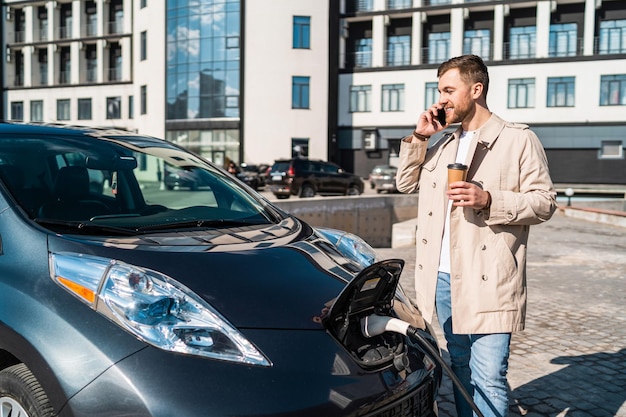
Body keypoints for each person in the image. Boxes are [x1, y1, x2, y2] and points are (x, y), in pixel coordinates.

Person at [395, 55, 557, 417]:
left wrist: (489, 199)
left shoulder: (518, 139)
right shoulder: (443, 143)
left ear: (477, 89)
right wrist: (421, 136)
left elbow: (544, 203)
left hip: (489, 279)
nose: (442, 99)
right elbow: (405, 183)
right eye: (440, 91)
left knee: (489, 377)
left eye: (449, 90)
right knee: (460, 370)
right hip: (441, 279)